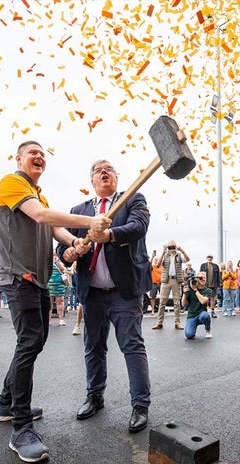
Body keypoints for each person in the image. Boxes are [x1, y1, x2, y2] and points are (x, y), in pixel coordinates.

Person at [0, 140, 110, 463]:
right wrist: (90, 222)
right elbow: (43, 216)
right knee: (30, 341)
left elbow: (56, 228)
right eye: (33, 152)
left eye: (43, 153)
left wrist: (75, 242)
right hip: (19, 277)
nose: (39, 156)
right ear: (18, 158)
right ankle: (21, 427)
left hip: (39, 278)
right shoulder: (11, 183)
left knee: (34, 340)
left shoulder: (38, 193)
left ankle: (6, 402)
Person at [57, 158, 152, 434]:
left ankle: (140, 405)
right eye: (98, 170)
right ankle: (94, 396)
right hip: (93, 294)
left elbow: (138, 228)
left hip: (124, 292)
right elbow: (60, 246)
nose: (103, 172)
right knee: (94, 347)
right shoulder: (78, 211)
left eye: (108, 169)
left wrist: (108, 235)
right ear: (92, 181)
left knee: (132, 346)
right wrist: (69, 252)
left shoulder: (133, 199)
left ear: (116, 178)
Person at [153, 241, 189, 330]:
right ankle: (159, 322)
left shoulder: (179, 255)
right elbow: (157, 264)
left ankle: (177, 323)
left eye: (173, 246)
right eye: (170, 246)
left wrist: (181, 250)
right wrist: (163, 251)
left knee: (177, 302)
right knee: (162, 302)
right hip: (166, 280)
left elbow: (187, 259)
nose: (171, 248)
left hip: (176, 280)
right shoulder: (165, 255)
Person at [181, 270, 212, 339]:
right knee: (189, 335)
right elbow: (183, 304)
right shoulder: (190, 288)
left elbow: (203, 301)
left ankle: (208, 329)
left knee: (205, 316)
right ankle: (193, 327)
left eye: (205, 278)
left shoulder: (208, 290)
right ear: (197, 279)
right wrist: (185, 294)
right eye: (201, 278)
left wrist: (195, 290)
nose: (203, 279)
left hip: (201, 314)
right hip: (192, 315)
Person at [47, 252, 67, 326]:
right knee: (49, 303)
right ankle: (48, 320)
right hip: (49, 285)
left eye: (56, 254)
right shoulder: (47, 261)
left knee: (60, 302)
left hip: (59, 285)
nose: (54, 256)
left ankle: (61, 319)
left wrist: (58, 262)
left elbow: (63, 270)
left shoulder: (60, 261)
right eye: (53, 255)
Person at [148, 251, 161, 315]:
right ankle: (152, 310)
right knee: (153, 297)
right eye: (155, 260)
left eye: (157, 260)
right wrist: (153, 256)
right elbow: (148, 264)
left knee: (163, 297)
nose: (156, 261)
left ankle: (161, 310)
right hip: (154, 283)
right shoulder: (153, 267)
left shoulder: (161, 267)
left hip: (161, 283)